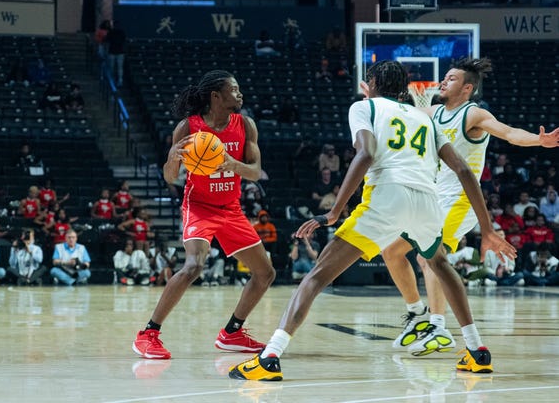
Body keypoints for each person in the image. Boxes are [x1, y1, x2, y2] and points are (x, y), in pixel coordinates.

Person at [227, 60, 516, 381]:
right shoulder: (425, 118)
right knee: (439, 264)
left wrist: (335, 212)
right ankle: (476, 351)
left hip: (388, 198)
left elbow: (365, 154)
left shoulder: (364, 108)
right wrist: (486, 228)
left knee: (316, 277)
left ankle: (269, 358)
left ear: (373, 84)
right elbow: (464, 170)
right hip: (425, 201)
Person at [373, 57, 558, 358]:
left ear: (467, 88)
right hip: (430, 197)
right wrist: (378, 97)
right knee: (391, 252)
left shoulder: (473, 114)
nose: (443, 82)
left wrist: (539, 140)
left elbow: (509, 132)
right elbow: (401, 118)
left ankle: (438, 326)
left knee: (428, 257)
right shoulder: (431, 111)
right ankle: (417, 314)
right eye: (443, 78)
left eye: (451, 79)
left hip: (459, 199)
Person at [132, 70, 276, 360]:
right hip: (198, 206)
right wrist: (173, 158)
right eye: (234, 90)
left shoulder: (245, 125)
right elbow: (170, 177)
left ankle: (232, 333)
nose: (240, 94)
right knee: (194, 265)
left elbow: (255, 172)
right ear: (216, 96)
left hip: (231, 208)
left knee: (265, 273)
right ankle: (148, 334)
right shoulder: (188, 127)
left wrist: (230, 163)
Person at [106, 21, 126, 86]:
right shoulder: (113, 32)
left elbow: (107, 40)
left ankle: (117, 80)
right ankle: (117, 80)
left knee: (115, 67)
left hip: (116, 51)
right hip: (116, 51)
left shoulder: (114, 32)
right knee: (116, 67)